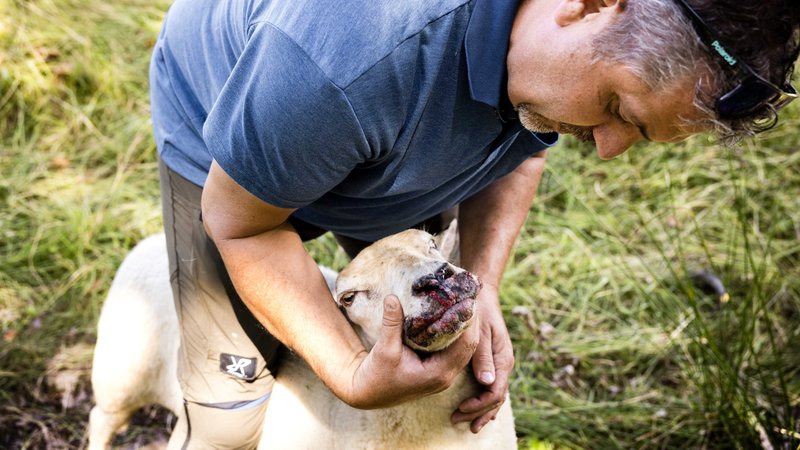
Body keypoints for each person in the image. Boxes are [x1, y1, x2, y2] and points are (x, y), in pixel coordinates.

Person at [148, 0, 799, 447]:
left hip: (371, 122)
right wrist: (347, 370)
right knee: (229, 414)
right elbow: (244, 227)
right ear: (587, 3)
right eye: (615, 108)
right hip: (232, 148)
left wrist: (482, 285)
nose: (605, 149)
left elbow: (520, 152)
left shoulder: (546, 55)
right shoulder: (346, 59)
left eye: (639, 134)